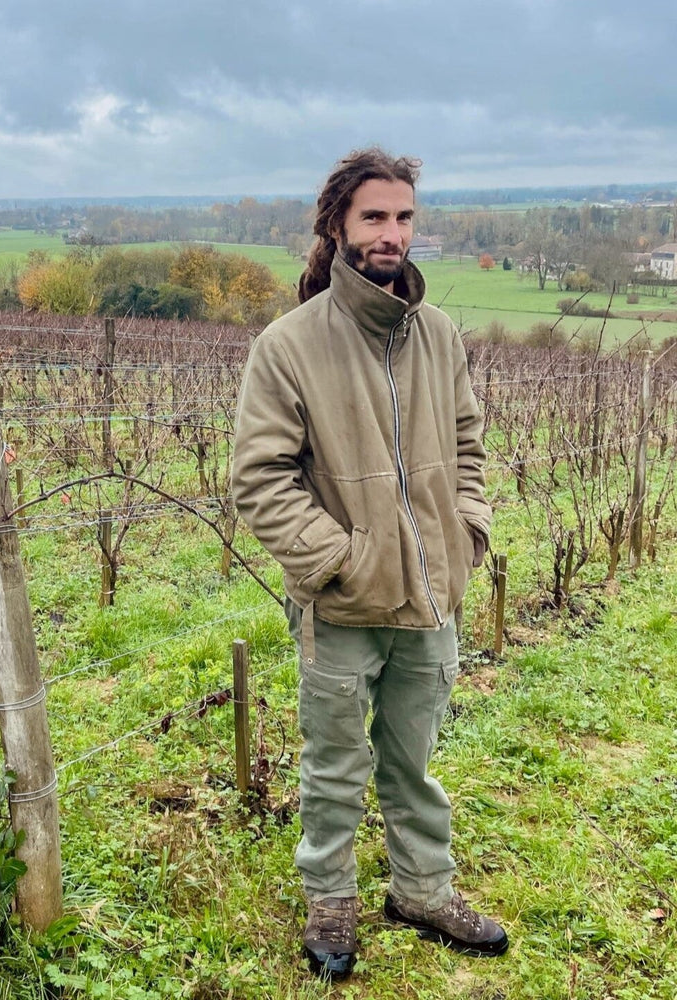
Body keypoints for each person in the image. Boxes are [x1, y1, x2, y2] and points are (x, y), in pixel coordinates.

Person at [231, 147, 507, 979]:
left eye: (405, 217)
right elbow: (259, 477)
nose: (393, 233)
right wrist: (341, 558)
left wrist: (468, 532)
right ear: (338, 227)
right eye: (375, 217)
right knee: (336, 763)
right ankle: (332, 901)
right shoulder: (289, 346)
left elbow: (467, 446)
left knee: (413, 758)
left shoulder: (440, 335)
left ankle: (422, 890)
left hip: (430, 599)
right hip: (344, 603)